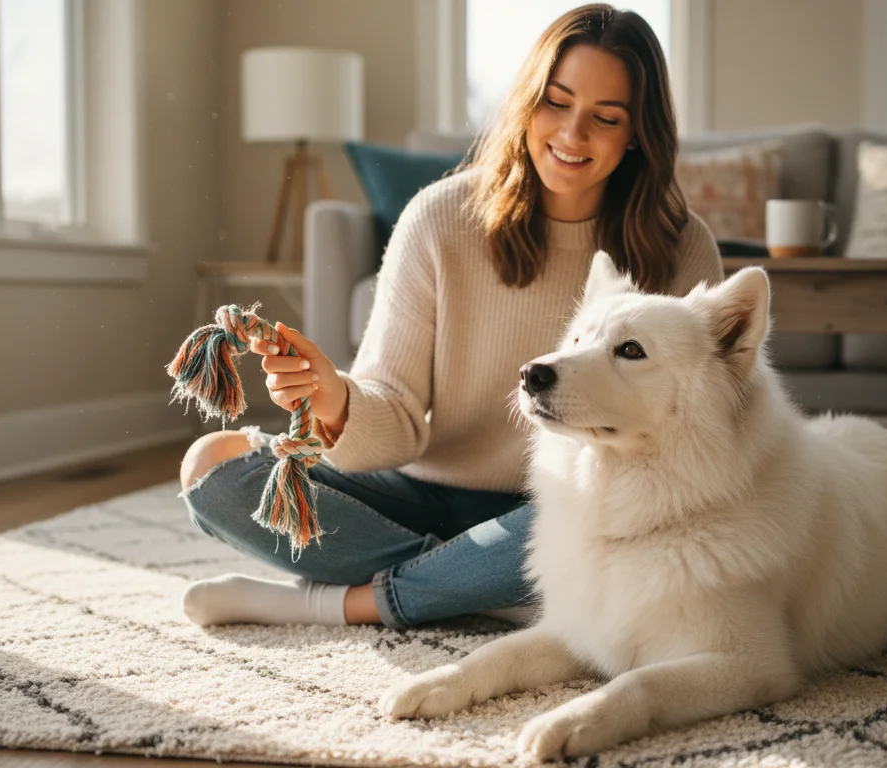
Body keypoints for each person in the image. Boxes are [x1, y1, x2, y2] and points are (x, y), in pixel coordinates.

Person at [177, 3, 725, 629]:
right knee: (214, 466)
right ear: (525, 102)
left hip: (577, 504)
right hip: (422, 496)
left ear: (636, 134)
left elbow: (696, 434)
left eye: (605, 118)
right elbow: (399, 415)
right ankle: (488, 588)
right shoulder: (438, 219)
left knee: (646, 515)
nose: (573, 135)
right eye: (555, 102)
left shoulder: (683, 247)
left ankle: (353, 602)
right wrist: (335, 398)